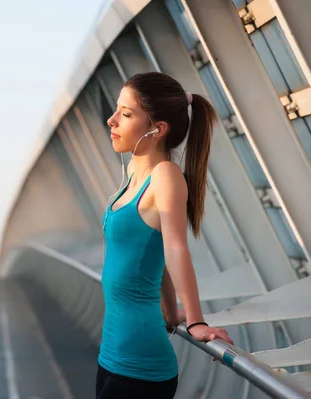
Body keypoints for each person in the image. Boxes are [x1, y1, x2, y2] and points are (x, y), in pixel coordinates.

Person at [97, 72, 234, 399]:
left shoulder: (166, 176)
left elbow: (174, 248)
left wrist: (196, 321)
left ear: (157, 130)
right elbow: (152, 251)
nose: (111, 120)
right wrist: (172, 314)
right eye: (117, 110)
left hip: (140, 365)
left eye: (126, 114)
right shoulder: (132, 172)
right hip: (111, 355)